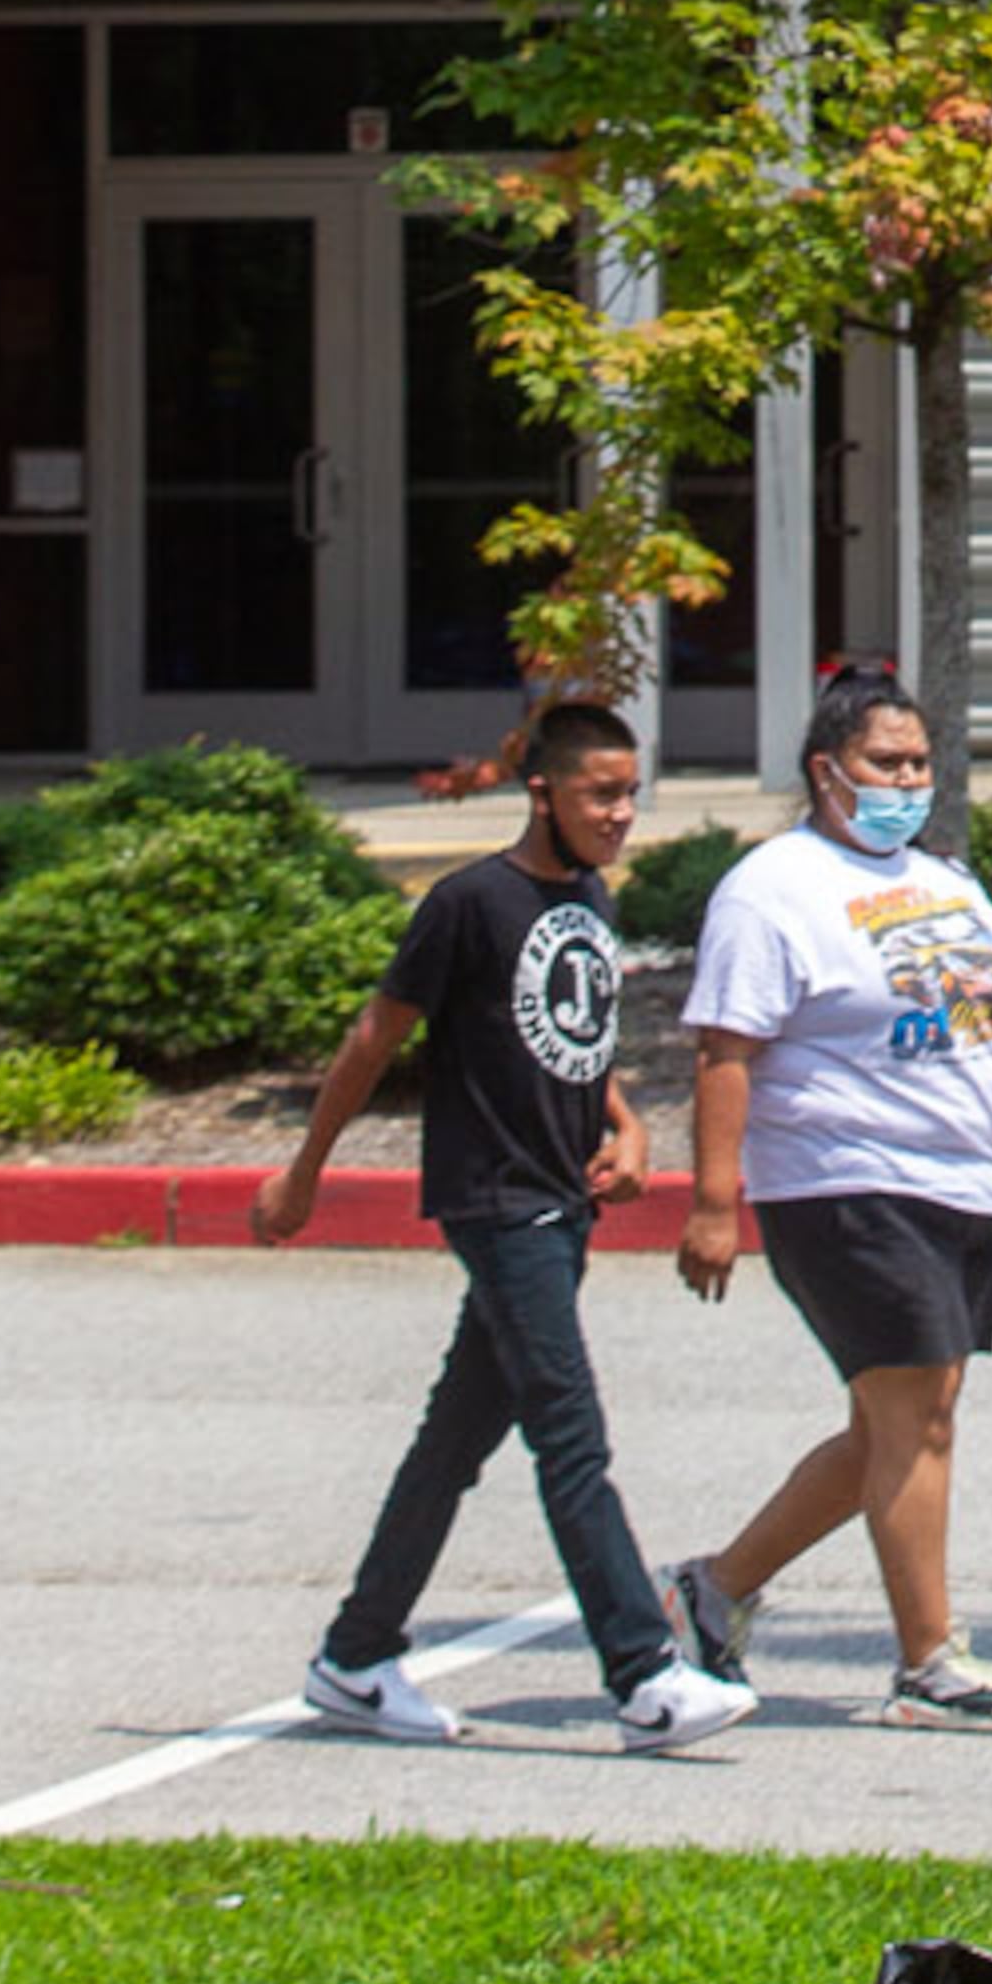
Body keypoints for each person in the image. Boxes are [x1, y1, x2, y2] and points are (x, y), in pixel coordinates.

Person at [666, 661, 992, 1735]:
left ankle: (712, 1592)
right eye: (883, 762)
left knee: (893, 1428)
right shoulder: (775, 889)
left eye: (918, 762)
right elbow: (727, 1050)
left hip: (963, 1188)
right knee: (921, 1420)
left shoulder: (950, 886)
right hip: (843, 1184)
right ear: (826, 771)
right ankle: (930, 1666)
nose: (907, 779)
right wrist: (714, 1202)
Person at [253, 692, 752, 1759]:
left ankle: (355, 1656)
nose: (619, 814)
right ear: (542, 792)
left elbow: (580, 1039)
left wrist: (626, 1127)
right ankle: (645, 1676)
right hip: (497, 1202)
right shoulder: (468, 903)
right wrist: (303, 1174)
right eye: (598, 794)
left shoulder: (589, 896)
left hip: (559, 1201)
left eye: (629, 795)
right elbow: (373, 1035)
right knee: (571, 1440)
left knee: (451, 1445)